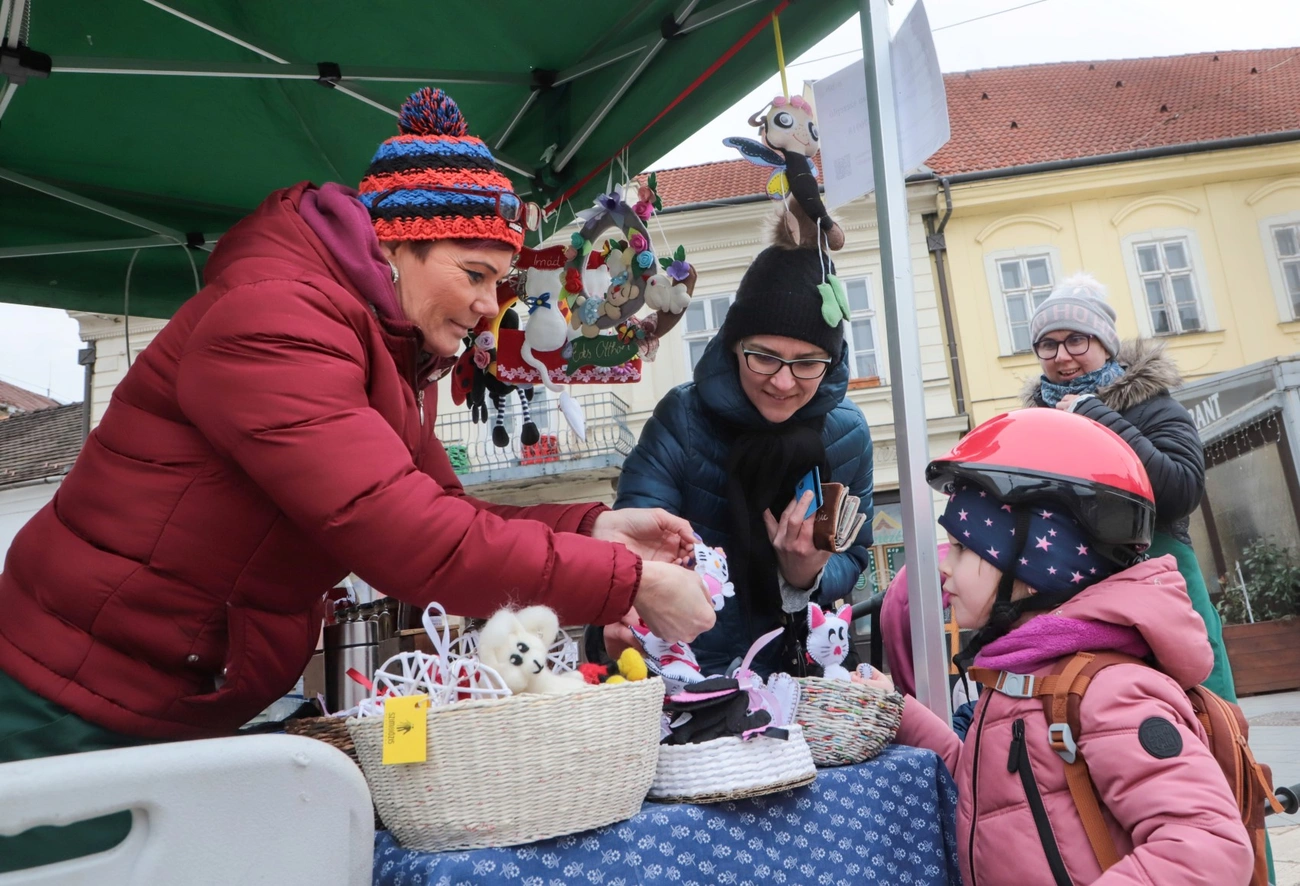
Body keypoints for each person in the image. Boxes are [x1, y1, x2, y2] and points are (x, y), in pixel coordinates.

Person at [0, 88, 714, 871]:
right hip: (64, 691)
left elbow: (439, 507)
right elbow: (409, 539)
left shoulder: (384, 349)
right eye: (475, 274)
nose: (488, 307)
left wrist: (592, 528)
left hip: (159, 696)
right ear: (394, 247)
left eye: (500, 285)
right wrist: (624, 582)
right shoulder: (277, 320)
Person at [861, 408, 1253, 885]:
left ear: (1033, 570)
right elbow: (991, 791)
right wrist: (898, 711)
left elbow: (1207, 848)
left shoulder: (1109, 692)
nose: (945, 568)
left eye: (963, 549)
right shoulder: (1022, 676)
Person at [611, 243, 874, 677]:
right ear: (734, 346)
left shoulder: (847, 434)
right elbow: (632, 540)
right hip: (694, 676)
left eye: (808, 362)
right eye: (765, 357)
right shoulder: (683, 420)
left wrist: (805, 574)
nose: (784, 381)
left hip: (806, 675)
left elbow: (853, 553)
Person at [1021, 272, 1235, 700]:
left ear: (1105, 344)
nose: (1063, 356)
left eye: (1077, 340)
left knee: (1204, 713)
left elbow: (1180, 492)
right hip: (1081, 596)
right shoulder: (1037, 425)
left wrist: (1097, 416)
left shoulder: (1154, 406)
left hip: (1164, 585)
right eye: (1049, 344)